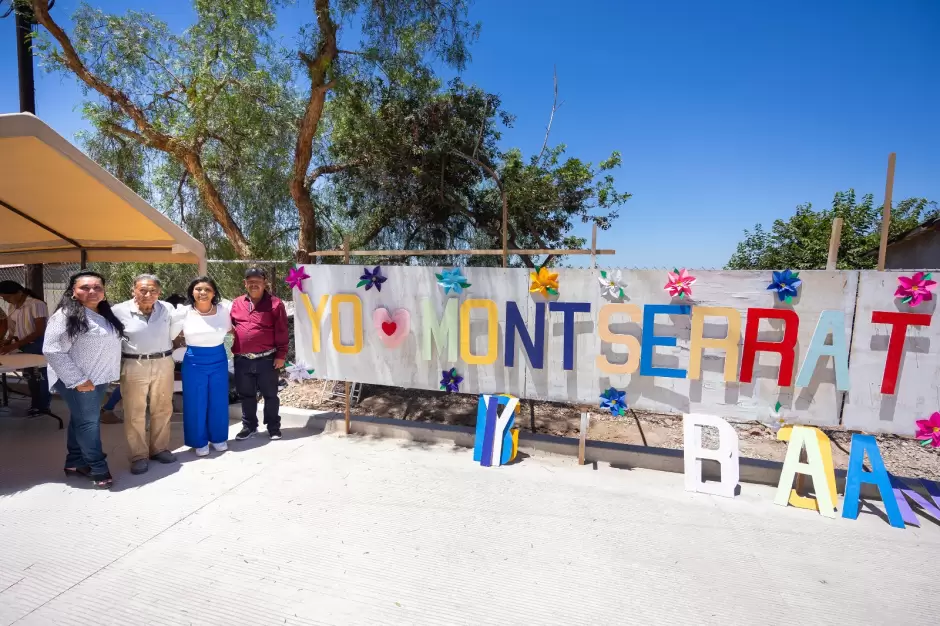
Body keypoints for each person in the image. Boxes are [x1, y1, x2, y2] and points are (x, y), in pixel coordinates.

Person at [43, 271, 125, 489]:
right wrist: (77, 379)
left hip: (98, 378)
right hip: (79, 381)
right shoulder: (65, 315)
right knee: (89, 423)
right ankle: (98, 468)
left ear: (104, 292)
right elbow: (52, 350)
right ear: (73, 291)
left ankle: (74, 463)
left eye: (97, 287)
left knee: (81, 420)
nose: (92, 291)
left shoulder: (104, 314)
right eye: (85, 288)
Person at [112, 274, 184, 474]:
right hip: (134, 363)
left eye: (153, 290)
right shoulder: (118, 311)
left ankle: (159, 448)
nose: (148, 294)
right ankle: (138, 455)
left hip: (163, 362)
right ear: (133, 290)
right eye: (143, 290)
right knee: (135, 412)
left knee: (162, 407)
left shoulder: (166, 309)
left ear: (159, 293)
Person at [231, 267, 288, 441]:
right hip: (242, 360)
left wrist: (281, 355)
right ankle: (249, 426)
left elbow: (282, 331)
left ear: (265, 283)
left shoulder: (276, 304)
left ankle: (273, 427)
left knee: (270, 395)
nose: (254, 284)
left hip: (267, 359)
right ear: (245, 283)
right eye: (250, 280)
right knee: (246, 395)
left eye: (258, 280)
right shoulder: (236, 303)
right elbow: (230, 329)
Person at [179, 276, 231, 456]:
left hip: (218, 358)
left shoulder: (224, 310)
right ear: (192, 292)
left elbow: (234, 327)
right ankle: (198, 441)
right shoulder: (183, 312)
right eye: (198, 289)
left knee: (218, 399)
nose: (202, 293)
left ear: (214, 293)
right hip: (194, 360)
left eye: (207, 289)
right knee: (196, 401)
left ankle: (218, 437)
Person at [0, 281, 50, 416]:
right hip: (22, 344)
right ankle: (35, 405)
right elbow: (13, 328)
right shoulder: (13, 307)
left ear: (19, 293)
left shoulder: (36, 304)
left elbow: (40, 330)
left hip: (37, 343)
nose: (6, 300)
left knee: (40, 376)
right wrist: (7, 342)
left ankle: (43, 406)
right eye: (3, 298)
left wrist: (15, 345)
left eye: (7, 297)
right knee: (29, 376)